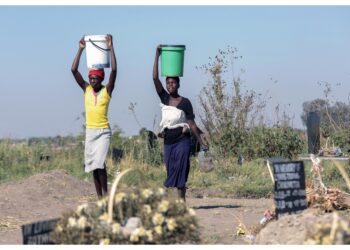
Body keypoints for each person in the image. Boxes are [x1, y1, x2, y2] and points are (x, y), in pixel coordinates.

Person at [153, 45, 208, 201]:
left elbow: (192, 124)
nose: (170, 85)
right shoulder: (164, 98)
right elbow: (155, 78)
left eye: (173, 83)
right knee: (171, 170)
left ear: (178, 84)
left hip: (183, 141)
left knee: (181, 168)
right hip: (168, 141)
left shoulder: (185, 102)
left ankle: (175, 196)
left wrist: (201, 141)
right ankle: (178, 199)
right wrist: (156, 55)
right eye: (168, 83)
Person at [71, 34, 117, 199]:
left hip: (103, 132)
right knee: (93, 166)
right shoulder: (86, 89)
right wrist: (81, 49)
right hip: (90, 131)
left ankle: (105, 194)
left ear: (101, 79)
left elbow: (114, 70)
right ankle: (100, 198)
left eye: (95, 78)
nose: (92, 80)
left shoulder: (107, 90)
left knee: (100, 163)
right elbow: (73, 70)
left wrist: (111, 47)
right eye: (90, 78)